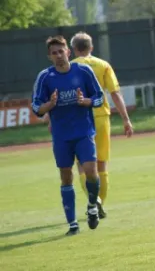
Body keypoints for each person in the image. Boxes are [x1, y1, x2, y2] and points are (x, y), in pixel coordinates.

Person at [31, 35, 105, 235]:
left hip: (83, 131)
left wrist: (86, 102)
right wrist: (50, 105)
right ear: (49, 56)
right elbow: (36, 107)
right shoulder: (45, 77)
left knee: (91, 170)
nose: (58, 56)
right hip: (61, 136)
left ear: (68, 52)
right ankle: (72, 224)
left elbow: (99, 97)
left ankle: (92, 206)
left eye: (61, 51)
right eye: (53, 53)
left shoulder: (83, 71)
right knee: (66, 176)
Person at [69, 32, 134, 218]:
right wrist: (126, 119)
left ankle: (93, 201)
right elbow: (115, 93)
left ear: (74, 49)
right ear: (91, 47)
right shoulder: (103, 65)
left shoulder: (70, 67)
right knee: (101, 163)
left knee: (82, 164)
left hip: (78, 118)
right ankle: (99, 203)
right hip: (101, 117)